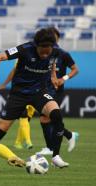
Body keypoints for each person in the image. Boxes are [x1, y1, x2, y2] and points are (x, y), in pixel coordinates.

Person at [0, 28, 70, 173]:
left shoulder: (56, 51)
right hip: (19, 94)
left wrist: (53, 77)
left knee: (56, 114)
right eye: (42, 51)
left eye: (48, 51)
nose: (45, 54)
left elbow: (52, 64)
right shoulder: (25, 49)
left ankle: (56, 156)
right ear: (36, 45)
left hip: (39, 92)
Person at [36, 27, 79, 155]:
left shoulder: (63, 54)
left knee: (48, 118)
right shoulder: (43, 52)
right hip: (44, 89)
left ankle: (51, 147)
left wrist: (63, 78)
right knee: (45, 119)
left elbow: (75, 69)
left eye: (52, 36)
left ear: (57, 38)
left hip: (56, 91)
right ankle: (67, 136)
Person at [0, 66, 34, 150]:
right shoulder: (23, 56)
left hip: (36, 91)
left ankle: (18, 142)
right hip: (22, 92)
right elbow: (14, 70)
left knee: (27, 119)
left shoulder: (44, 59)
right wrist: (5, 84)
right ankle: (28, 141)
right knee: (23, 116)